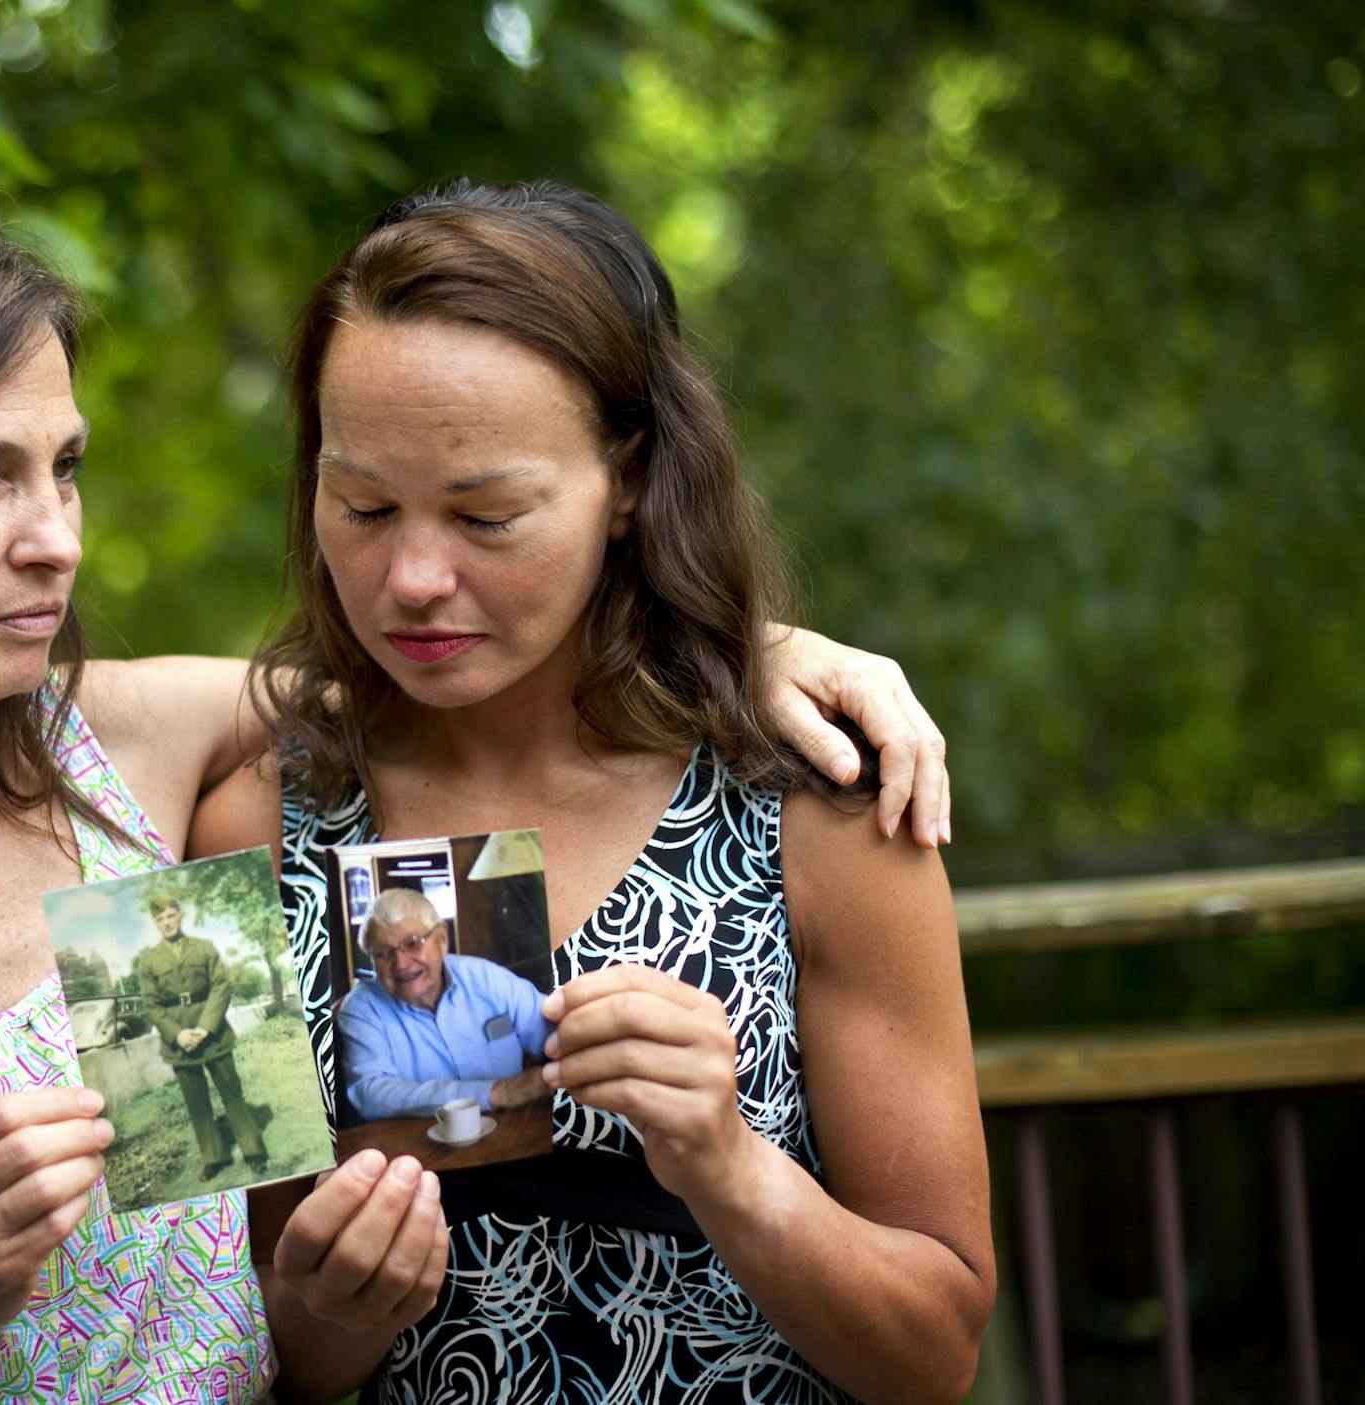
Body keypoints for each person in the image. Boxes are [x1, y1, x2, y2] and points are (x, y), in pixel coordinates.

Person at [0, 211, 957, 1405]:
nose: (55, 538)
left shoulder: (131, 780)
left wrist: (770, 652)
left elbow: (485, 668)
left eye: (65, 469)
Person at [193, 179, 993, 1403]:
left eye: (486, 515)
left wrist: (732, 1168)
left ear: (627, 483)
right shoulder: (244, 828)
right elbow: (201, 1345)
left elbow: (938, 1357)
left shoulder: (818, 806)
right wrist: (327, 1314)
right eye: (362, 505)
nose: (411, 575)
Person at [337, 887, 553, 1121]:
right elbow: (371, 1094)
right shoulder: (360, 1009)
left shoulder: (486, 977)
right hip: (419, 1144)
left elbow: (555, 1032)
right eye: (383, 953)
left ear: (441, 939)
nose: (400, 964)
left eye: (412, 944)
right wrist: (496, 1093)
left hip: (514, 1126)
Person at [136, 893, 268, 1177]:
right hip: (179, 1041)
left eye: (171, 916)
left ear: (179, 915)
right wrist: (177, 1034)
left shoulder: (204, 948)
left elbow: (221, 985)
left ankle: (253, 1151)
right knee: (197, 1104)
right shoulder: (149, 962)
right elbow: (151, 1005)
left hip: (214, 1033)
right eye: (160, 919)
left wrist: (207, 1026)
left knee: (232, 1094)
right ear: (156, 924)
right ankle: (214, 1157)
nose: (167, 923)